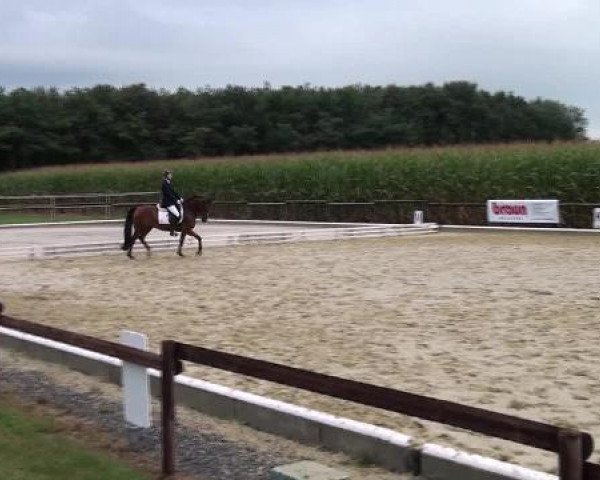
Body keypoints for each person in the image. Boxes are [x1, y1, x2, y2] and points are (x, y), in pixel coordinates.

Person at [160, 170, 183, 236]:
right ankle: (172, 231)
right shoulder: (164, 184)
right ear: (167, 176)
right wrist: (176, 200)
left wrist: (179, 198)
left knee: (179, 210)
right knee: (177, 214)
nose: (171, 176)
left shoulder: (168, 183)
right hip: (167, 203)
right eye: (170, 175)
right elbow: (168, 194)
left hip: (171, 202)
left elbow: (173, 192)